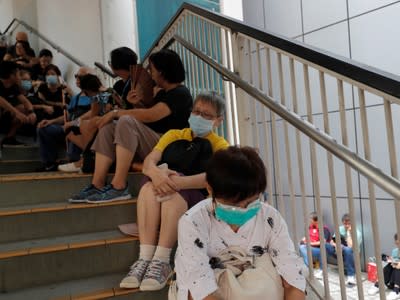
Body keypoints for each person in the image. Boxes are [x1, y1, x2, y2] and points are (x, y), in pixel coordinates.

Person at [119, 92, 229, 291]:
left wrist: (177, 183)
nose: (199, 117)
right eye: (197, 112)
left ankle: (161, 261)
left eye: (207, 115)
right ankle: (144, 259)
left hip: (191, 195)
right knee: (146, 188)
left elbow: (214, 176)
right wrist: (158, 176)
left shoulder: (220, 145)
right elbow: (148, 163)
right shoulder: (173, 135)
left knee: (171, 196)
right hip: (162, 186)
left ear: (218, 121)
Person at [173, 147, 306, 300]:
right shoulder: (193, 221)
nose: (243, 209)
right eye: (233, 205)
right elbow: (199, 284)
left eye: (250, 202)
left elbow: (292, 275)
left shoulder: (270, 218)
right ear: (210, 188)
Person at [68, 49, 193, 203]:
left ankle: (119, 186)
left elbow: (152, 115)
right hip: (155, 141)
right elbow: (148, 118)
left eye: (152, 69)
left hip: (167, 146)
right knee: (109, 126)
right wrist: (136, 104)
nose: (150, 73)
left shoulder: (180, 93)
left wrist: (116, 112)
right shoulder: (162, 93)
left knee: (125, 120)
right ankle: (97, 184)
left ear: (161, 71)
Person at [36, 67, 96, 171]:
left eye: (80, 77)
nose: (77, 79)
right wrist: (51, 121)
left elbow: (95, 113)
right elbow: (68, 115)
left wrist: (73, 123)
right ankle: (49, 163)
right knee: (44, 129)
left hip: (83, 129)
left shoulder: (96, 96)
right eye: (76, 76)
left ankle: (77, 159)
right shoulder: (75, 98)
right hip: (69, 126)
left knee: (73, 129)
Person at [0, 61, 37, 146]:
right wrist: (17, 113)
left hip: (5, 116)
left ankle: (9, 138)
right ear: (11, 75)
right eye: (18, 74)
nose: (20, 77)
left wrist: (31, 112)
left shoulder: (13, 86)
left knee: (24, 108)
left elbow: (25, 101)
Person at [326, 213, 362, 285]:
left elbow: (350, 246)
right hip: (339, 250)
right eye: (345, 223)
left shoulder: (357, 233)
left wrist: (349, 232)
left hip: (352, 253)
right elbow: (332, 241)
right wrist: (337, 245)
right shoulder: (340, 229)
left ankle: (351, 276)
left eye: (349, 223)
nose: (347, 225)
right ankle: (322, 268)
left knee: (347, 250)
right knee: (325, 245)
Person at [299, 211, 332, 279]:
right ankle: (308, 267)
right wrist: (303, 239)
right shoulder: (310, 227)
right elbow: (307, 237)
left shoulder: (324, 229)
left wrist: (309, 243)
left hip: (320, 250)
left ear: (316, 220)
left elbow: (322, 242)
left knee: (303, 247)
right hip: (310, 248)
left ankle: (309, 267)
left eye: (311, 219)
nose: (310, 220)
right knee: (301, 246)